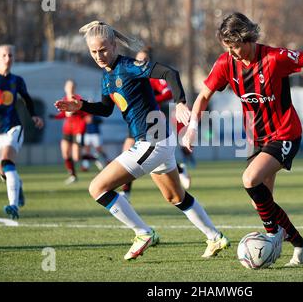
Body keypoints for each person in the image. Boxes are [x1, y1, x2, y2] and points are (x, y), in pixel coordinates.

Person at [183, 12, 303, 266]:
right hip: (255, 138)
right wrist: (192, 128)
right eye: (228, 48)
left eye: (236, 47)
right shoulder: (226, 64)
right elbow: (203, 96)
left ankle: (274, 234)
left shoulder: (274, 58)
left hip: (285, 133)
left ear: (248, 39)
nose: (233, 53)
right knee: (262, 202)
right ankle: (301, 246)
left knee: (249, 179)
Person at [54, 21, 229, 261]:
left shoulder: (128, 66)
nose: (99, 56)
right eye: (94, 52)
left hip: (152, 140)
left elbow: (169, 73)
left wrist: (180, 103)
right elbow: (106, 109)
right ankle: (215, 237)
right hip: (157, 139)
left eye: (103, 49)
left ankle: (142, 232)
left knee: (97, 187)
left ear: (114, 45)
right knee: (175, 197)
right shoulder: (106, 77)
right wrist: (81, 105)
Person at [0, 44, 44, 219]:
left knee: (7, 162)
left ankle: (13, 206)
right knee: (4, 173)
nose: (8, 59)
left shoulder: (17, 80)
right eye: (4, 55)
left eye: (11, 55)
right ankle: (18, 185)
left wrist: (34, 115)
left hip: (12, 128)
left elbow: (27, 99)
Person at [119, 47, 192, 200]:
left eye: (144, 60)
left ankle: (178, 170)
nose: (140, 63)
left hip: (154, 118)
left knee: (156, 157)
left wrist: (150, 101)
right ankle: (126, 192)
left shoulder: (153, 76)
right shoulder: (132, 75)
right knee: (128, 152)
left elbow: (168, 93)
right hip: (137, 119)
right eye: (138, 60)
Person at [50, 79, 88, 184]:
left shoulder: (77, 98)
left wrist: (74, 110)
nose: (70, 88)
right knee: (65, 153)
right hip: (67, 129)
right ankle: (73, 175)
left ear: (74, 88)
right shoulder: (64, 99)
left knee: (76, 156)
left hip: (78, 129)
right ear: (65, 88)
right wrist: (55, 116)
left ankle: (96, 158)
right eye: (68, 86)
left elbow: (81, 111)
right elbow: (64, 114)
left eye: (72, 86)